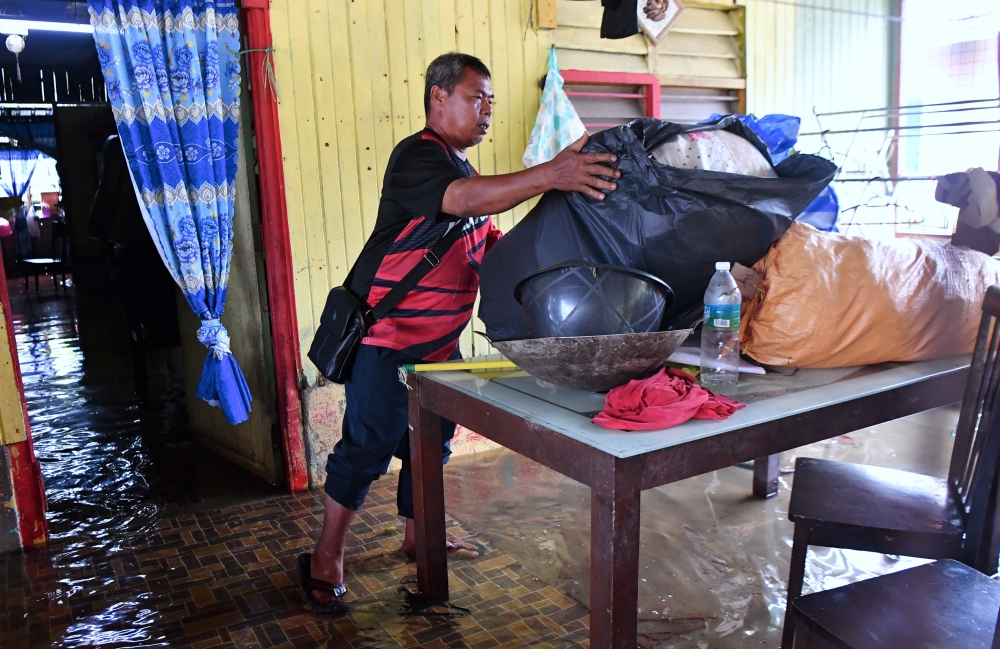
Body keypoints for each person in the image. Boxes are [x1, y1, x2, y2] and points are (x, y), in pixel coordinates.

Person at [299, 52, 621, 607]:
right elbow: (462, 203)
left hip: (440, 349)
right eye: (478, 97)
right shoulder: (418, 160)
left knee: (429, 445)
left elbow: (482, 246)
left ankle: (417, 534)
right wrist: (551, 174)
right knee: (366, 448)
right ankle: (328, 552)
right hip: (387, 342)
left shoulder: (470, 173)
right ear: (438, 98)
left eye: (492, 100)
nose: (487, 109)